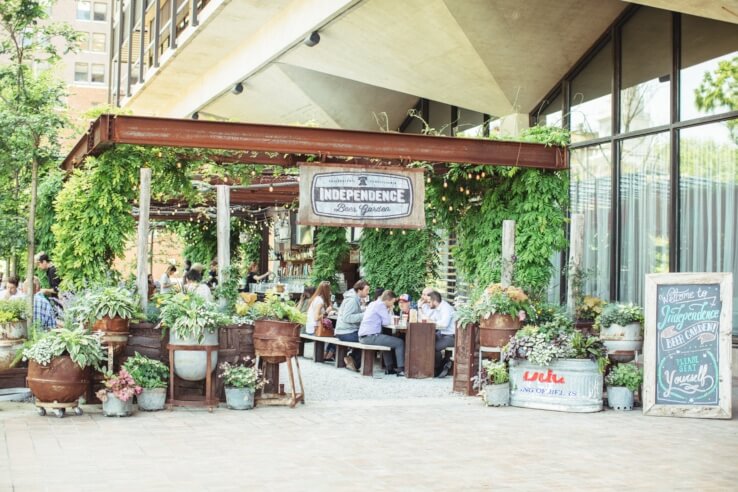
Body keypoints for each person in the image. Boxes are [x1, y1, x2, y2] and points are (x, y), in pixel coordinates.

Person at [359, 290, 405, 376]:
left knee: (386, 340)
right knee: (399, 343)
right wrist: (389, 309)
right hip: (370, 336)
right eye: (393, 302)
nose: (393, 304)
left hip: (364, 336)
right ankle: (401, 370)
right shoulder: (381, 306)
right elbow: (386, 322)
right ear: (388, 300)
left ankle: (389, 368)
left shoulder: (373, 303)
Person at [335, 279, 370, 372]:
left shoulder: (353, 298)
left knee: (365, 335)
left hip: (343, 330)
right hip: (345, 332)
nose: (368, 292)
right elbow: (347, 317)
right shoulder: (352, 300)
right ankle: (352, 359)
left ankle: (352, 359)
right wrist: (364, 315)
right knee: (366, 338)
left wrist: (362, 311)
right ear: (359, 290)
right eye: (366, 290)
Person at [428, 291, 456, 378]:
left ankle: (438, 368)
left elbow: (444, 324)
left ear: (434, 301)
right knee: (427, 342)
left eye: (429, 301)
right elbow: (431, 318)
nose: (428, 303)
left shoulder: (446, 308)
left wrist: (432, 322)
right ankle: (435, 367)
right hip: (443, 334)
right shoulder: (438, 308)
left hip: (452, 336)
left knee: (434, 347)